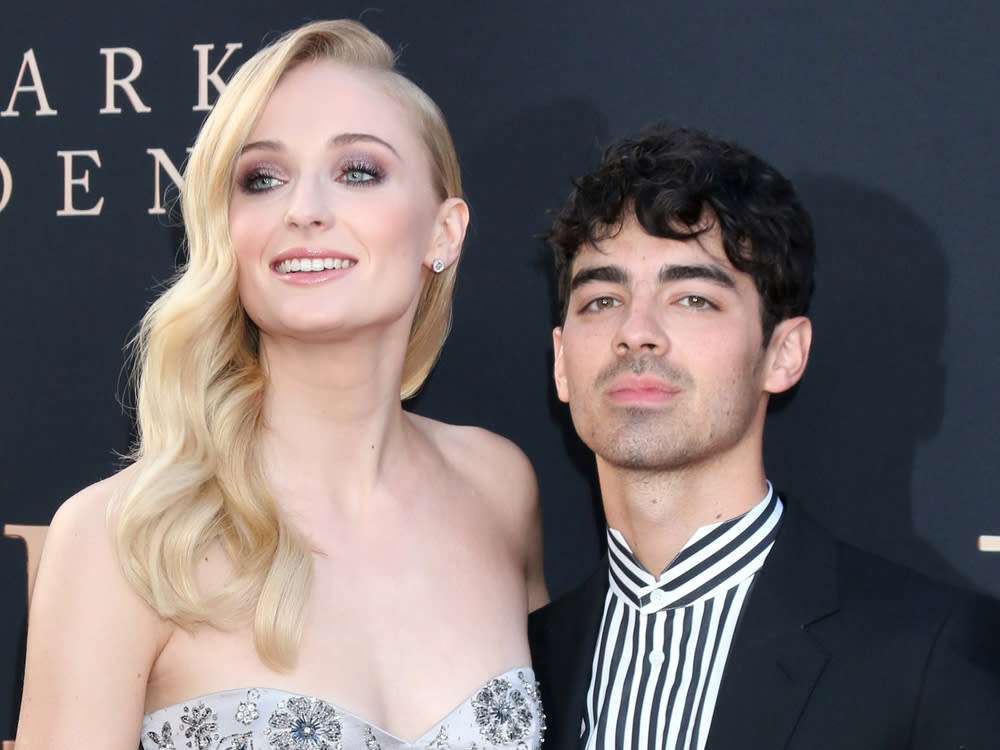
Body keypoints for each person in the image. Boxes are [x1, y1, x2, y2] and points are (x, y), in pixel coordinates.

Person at [16, 19, 547, 750]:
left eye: (359, 171)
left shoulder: (498, 489)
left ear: (444, 232)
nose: (304, 210)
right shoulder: (122, 539)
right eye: (261, 179)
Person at [528, 125, 1000, 749]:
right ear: (562, 363)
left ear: (784, 354)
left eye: (693, 298)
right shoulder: (518, 665)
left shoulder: (938, 654)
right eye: (600, 300)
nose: (636, 332)